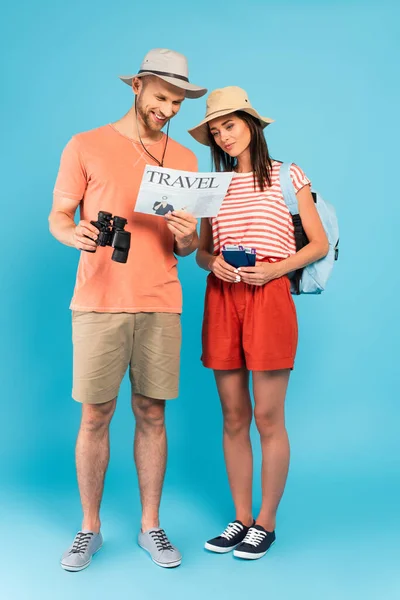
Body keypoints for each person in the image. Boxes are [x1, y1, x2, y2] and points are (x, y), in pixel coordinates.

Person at [49, 48, 206, 572]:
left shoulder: (185, 158)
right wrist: (75, 234)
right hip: (97, 302)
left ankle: (150, 526)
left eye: (179, 101)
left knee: (152, 413)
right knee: (95, 415)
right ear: (137, 86)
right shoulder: (86, 145)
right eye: (162, 97)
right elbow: (58, 215)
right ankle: (88, 528)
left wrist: (188, 237)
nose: (171, 109)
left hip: (161, 302)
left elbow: (186, 248)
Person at [189, 86, 328, 560]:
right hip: (223, 297)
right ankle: (240, 519)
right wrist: (213, 264)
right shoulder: (214, 185)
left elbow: (318, 243)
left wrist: (275, 269)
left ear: (250, 123)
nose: (223, 136)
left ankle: (265, 523)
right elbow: (202, 253)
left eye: (229, 124)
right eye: (215, 130)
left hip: (268, 295)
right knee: (233, 416)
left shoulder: (288, 174)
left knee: (268, 417)